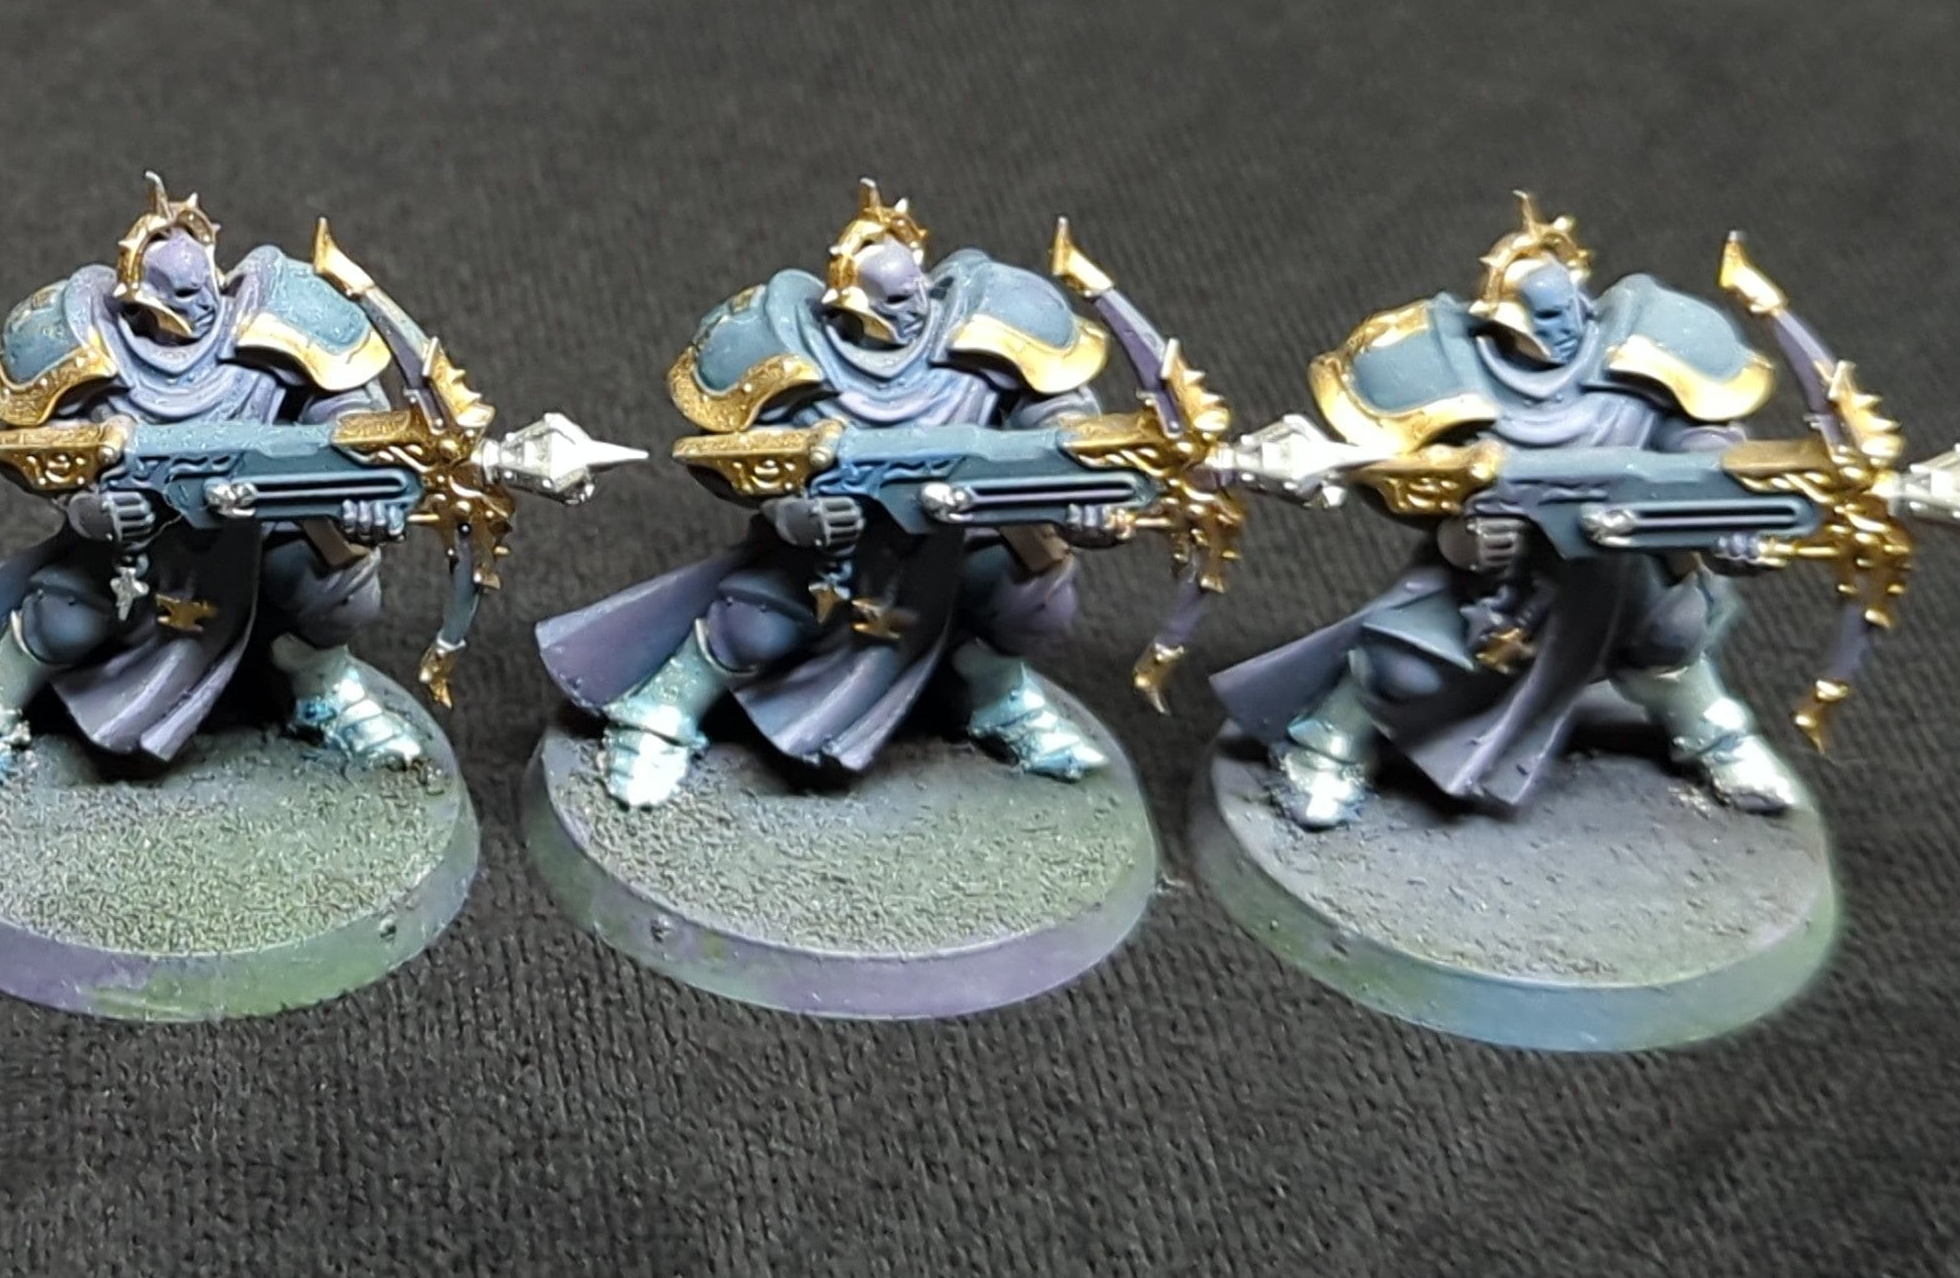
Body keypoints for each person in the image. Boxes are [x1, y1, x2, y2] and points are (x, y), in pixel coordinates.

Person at [1210, 198, 1804, 828]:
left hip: (1625, 565)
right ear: (1507, 319)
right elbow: (1404, 483)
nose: (1569, 324)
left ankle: (1717, 738)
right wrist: (1464, 537)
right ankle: (1326, 744)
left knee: (1670, 637)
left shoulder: (1637, 355)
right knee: (1404, 665)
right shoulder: (1456, 378)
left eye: (1572, 306)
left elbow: (1700, 434)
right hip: (1504, 584)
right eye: (1548, 316)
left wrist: (1725, 502)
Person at [535, 185, 1126, 807]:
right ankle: (662, 710)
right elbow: (741, 460)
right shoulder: (793, 356)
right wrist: (794, 515)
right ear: (851, 300)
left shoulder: (982, 328)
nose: (917, 305)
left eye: (918, 287)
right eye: (896, 298)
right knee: (757, 625)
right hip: (843, 541)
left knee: (1033, 600)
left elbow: (1053, 406)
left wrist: (1078, 464)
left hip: (964, 526)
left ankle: (999, 698)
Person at [0, 182, 431, 803]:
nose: (201, 304)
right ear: (138, 294)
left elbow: (346, 407)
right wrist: (92, 511)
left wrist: (356, 477)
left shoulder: (277, 319)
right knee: (68, 616)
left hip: (263, 519)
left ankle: (322, 687)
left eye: (203, 286)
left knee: (341, 592)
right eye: (181, 295)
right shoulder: (86, 340)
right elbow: (37, 450)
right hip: (143, 536)